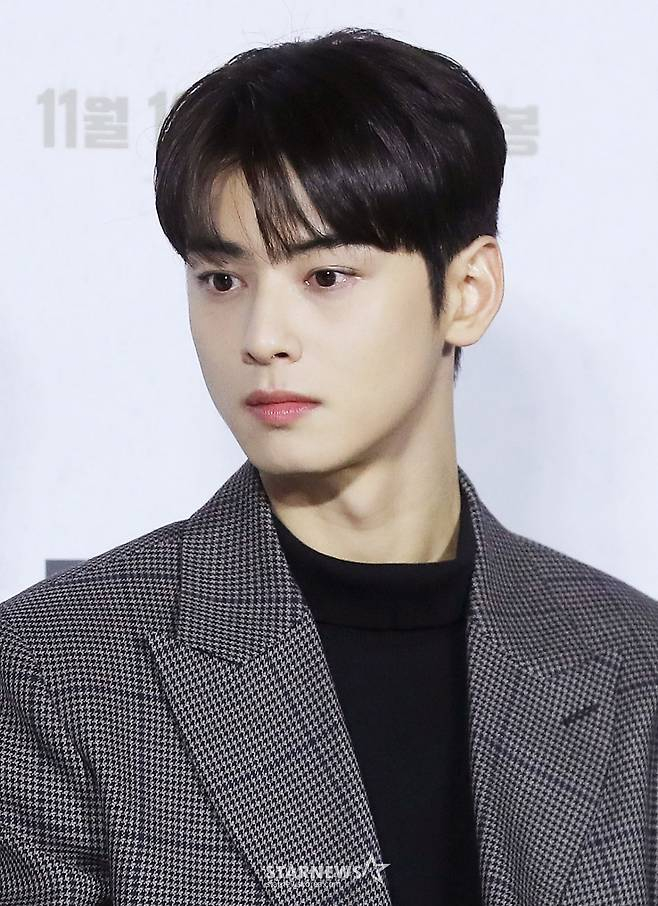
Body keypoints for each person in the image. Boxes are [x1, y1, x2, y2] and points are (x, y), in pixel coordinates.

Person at [1, 26, 656, 906]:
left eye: (326, 278)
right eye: (222, 280)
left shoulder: (633, 663)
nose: (263, 337)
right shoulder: (57, 667)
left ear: (467, 293)